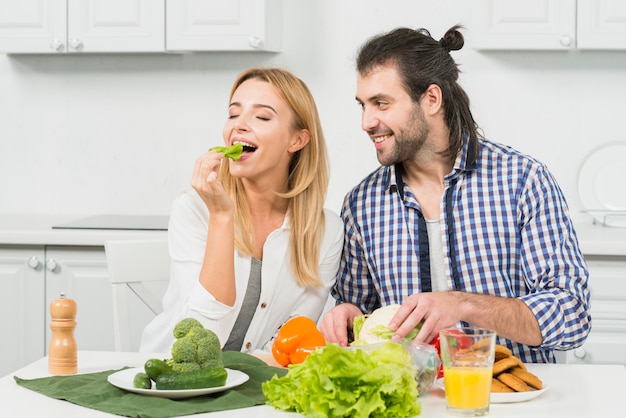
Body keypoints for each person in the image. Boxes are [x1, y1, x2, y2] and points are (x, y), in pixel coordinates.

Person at [319, 25, 590, 363]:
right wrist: (347, 315)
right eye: (363, 105)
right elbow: (364, 317)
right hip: (414, 402)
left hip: (511, 399)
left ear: (431, 99)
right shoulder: (363, 204)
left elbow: (571, 315)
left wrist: (461, 304)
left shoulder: (522, 181)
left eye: (381, 104)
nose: (366, 121)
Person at [141, 67, 344, 354]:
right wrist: (222, 217)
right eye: (233, 114)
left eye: (261, 116)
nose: (239, 125)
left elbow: (288, 344)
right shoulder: (195, 209)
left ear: (297, 140)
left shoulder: (327, 232)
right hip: (171, 379)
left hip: (253, 385)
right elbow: (198, 339)